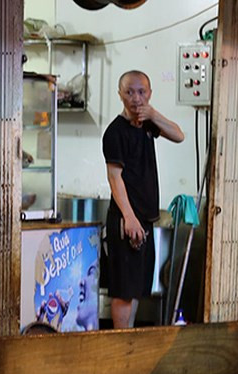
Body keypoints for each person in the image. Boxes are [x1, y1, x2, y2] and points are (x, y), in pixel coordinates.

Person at [102, 70, 184, 329]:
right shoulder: (115, 132)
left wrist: (154, 114)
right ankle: (120, 345)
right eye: (129, 92)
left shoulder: (148, 125)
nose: (136, 98)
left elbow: (179, 135)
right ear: (120, 95)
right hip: (127, 219)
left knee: (136, 286)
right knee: (124, 288)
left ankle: (128, 344)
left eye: (141, 92)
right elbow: (115, 178)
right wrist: (129, 218)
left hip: (145, 219)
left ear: (149, 94)